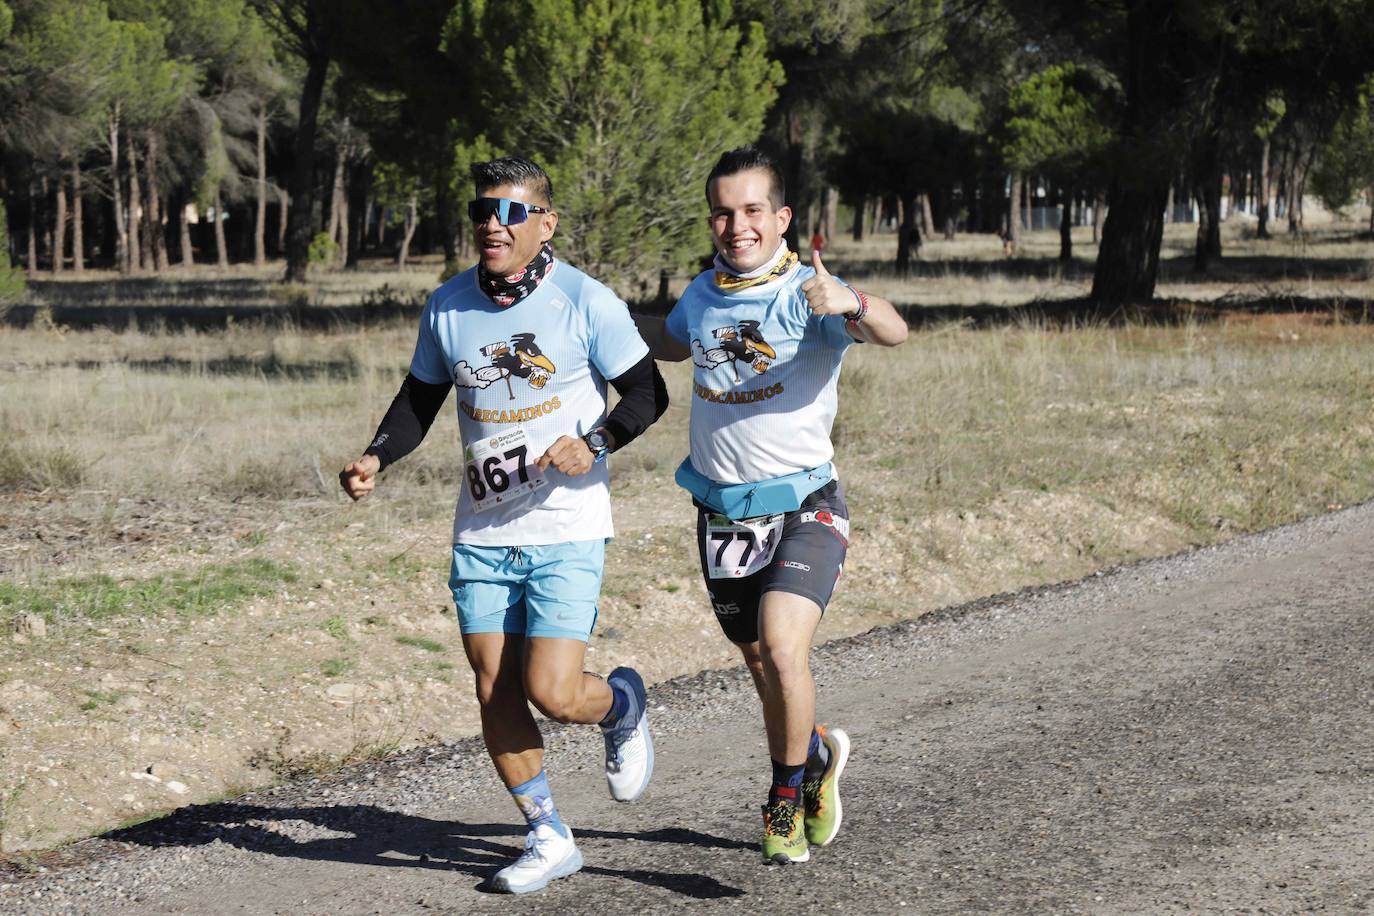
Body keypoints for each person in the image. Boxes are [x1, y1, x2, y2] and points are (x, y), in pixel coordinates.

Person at [340, 156, 668, 894]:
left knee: (553, 691)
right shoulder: (449, 306)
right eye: (483, 210)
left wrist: (595, 444)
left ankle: (622, 703)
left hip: (567, 523)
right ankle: (549, 834)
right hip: (484, 529)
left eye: (512, 212)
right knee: (494, 686)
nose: (494, 223)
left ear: (546, 223)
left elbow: (649, 394)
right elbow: (420, 399)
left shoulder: (586, 300)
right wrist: (376, 456)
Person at [637, 146, 907, 865]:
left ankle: (784, 801)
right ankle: (816, 756)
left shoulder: (809, 293)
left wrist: (856, 303)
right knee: (761, 665)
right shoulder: (701, 293)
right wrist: (590, 318)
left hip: (806, 504)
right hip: (723, 513)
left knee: (786, 653)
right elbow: (667, 343)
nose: (738, 225)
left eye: (753, 210)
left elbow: (895, 332)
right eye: (724, 212)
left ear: (781, 217)